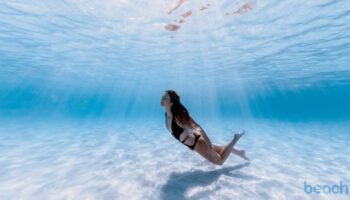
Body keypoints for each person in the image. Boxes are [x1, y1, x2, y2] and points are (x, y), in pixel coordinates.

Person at [161, 90, 249, 166]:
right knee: (219, 150)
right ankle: (240, 153)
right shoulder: (167, 115)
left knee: (220, 161)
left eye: (165, 97)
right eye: (163, 96)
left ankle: (235, 138)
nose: (162, 97)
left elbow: (196, 127)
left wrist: (208, 142)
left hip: (198, 144)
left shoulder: (178, 116)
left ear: (171, 102)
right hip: (194, 141)